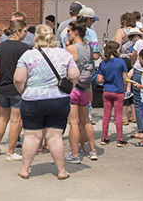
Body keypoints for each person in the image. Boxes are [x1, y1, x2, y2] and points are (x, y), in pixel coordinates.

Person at [13, 24, 78, 180]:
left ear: (36, 37)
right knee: (55, 136)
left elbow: (18, 78)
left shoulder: (28, 55)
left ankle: (25, 169)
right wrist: (69, 87)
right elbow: (75, 75)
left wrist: (24, 91)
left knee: (31, 136)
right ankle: (61, 171)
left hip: (33, 100)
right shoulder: (64, 54)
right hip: (58, 99)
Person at [0, 19, 31, 159]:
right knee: (16, 120)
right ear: (17, 31)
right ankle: (11, 151)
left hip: (2, 86)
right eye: (25, 31)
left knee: (3, 118)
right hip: (16, 87)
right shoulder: (24, 48)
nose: (26, 34)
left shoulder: (0, 47)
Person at [65, 21, 97, 163]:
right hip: (86, 88)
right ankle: (92, 150)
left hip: (73, 88)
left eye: (69, 31)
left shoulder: (72, 48)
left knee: (73, 122)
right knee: (86, 120)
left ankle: (74, 153)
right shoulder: (89, 48)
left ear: (76, 32)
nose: (68, 34)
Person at [97, 41, 129, 146]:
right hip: (118, 91)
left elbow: (99, 80)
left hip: (107, 91)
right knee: (118, 115)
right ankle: (120, 139)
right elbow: (125, 78)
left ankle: (104, 137)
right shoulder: (121, 62)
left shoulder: (103, 63)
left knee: (106, 115)